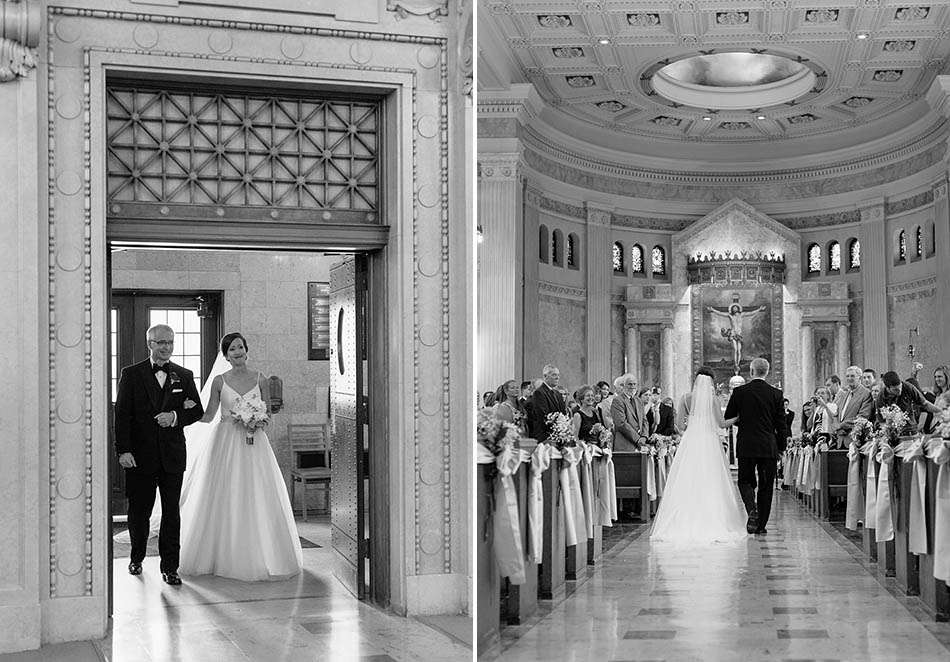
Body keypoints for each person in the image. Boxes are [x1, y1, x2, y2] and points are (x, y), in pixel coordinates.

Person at [178, 332, 302, 580]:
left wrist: (258, 420)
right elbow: (209, 415)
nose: (237, 352)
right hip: (225, 443)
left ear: (247, 350)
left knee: (257, 492)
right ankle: (219, 556)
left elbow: (268, 414)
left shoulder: (261, 379)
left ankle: (263, 555)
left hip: (255, 442)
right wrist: (182, 411)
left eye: (240, 347)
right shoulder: (219, 381)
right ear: (226, 355)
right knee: (225, 493)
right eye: (232, 349)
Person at [113, 324, 205, 585]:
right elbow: (122, 416)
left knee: (171, 513)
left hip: (172, 456)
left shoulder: (184, 376)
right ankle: (136, 558)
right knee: (139, 511)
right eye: (161, 342)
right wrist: (123, 451)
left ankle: (170, 567)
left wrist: (175, 416)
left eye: (170, 342)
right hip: (139, 456)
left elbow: (196, 410)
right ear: (149, 344)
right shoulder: (131, 374)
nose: (166, 347)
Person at [650, 368, 746, 544]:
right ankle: (711, 519)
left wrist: (692, 425)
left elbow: (679, 425)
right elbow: (722, 423)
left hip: (690, 442)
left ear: (695, 381)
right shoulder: (714, 400)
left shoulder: (686, 398)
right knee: (711, 480)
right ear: (711, 382)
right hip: (709, 442)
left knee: (687, 479)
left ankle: (684, 519)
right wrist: (738, 417)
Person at [724, 357, 786, 535]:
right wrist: (781, 448)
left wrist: (745, 424)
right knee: (766, 486)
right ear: (766, 372)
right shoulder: (776, 394)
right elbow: (781, 424)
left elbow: (730, 417)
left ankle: (752, 509)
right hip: (768, 446)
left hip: (746, 444)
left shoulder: (740, 392)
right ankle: (760, 526)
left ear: (751, 372)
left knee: (745, 481)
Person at [874, 370, 941, 437]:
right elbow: (882, 421)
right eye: (896, 390)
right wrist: (889, 434)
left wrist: (942, 411)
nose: (900, 391)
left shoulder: (908, 387)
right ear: (888, 388)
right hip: (894, 433)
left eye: (900, 387)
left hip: (911, 430)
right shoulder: (881, 398)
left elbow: (925, 404)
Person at [833, 366, 874, 447]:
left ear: (859, 378)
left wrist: (841, 425)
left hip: (855, 440)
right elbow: (836, 413)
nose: (849, 378)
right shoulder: (845, 394)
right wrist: (837, 428)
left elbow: (863, 416)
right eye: (847, 376)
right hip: (840, 440)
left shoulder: (866, 394)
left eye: (852, 376)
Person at [527, 365, 567, 442]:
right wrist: (556, 429)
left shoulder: (558, 393)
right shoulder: (539, 393)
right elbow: (543, 416)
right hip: (546, 436)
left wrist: (563, 429)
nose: (557, 377)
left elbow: (563, 414)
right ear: (545, 376)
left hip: (559, 435)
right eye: (554, 375)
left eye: (558, 375)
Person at [611, 373, 648, 451]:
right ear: (623, 386)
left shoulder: (639, 401)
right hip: (624, 445)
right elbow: (621, 423)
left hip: (640, 446)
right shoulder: (617, 400)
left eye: (634, 384)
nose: (632, 387)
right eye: (630, 384)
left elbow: (644, 421)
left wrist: (644, 437)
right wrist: (638, 439)